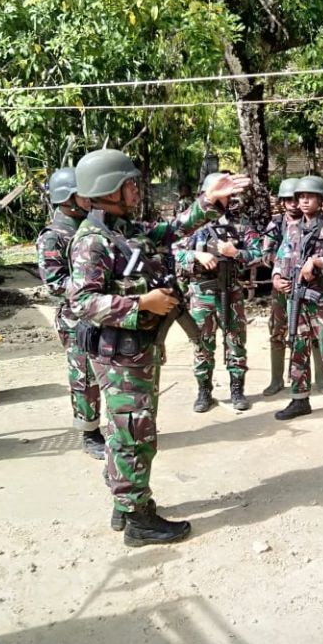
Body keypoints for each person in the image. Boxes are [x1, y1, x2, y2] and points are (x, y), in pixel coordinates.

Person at [68, 148, 248, 547]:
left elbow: (170, 231)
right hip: (120, 353)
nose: (135, 188)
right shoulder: (93, 241)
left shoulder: (122, 229)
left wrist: (209, 201)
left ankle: (124, 501)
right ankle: (138, 519)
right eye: (129, 183)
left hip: (135, 349)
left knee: (127, 430)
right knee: (134, 432)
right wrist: (141, 304)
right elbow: (80, 302)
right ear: (109, 188)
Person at [175, 172, 263, 413]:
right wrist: (195, 255)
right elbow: (172, 253)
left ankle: (237, 390)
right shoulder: (191, 223)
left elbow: (259, 255)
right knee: (202, 344)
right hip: (202, 293)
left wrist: (236, 253)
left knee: (236, 342)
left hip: (231, 291)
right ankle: (204, 391)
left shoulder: (241, 223)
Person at [36, 168, 105, 459]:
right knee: (85, 376)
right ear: (66, 198)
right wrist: (91, 284)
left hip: (103, 311)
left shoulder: (93, 226)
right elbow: (53, 284)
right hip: (76, 319)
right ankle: (90, 432)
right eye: (82, 193)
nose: (89, 197)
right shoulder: (54, 237)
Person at [271, 175, 323, 425]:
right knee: (296, 347)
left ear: (321, 199)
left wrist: (317, 262)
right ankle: (299, 398)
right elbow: (280, 257)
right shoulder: (292, 228)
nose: (304, 201)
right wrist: (275, 277)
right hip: (296, 297)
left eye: (310, 196)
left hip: (322, 298)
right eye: (301, 197)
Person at [261, 178, 302, 396]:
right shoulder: (276, 225)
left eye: (296, 199)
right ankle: (276, 379)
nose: (293, 204)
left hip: (305, 287)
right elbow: (265, 254)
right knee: (277, 331)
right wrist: (279, 271)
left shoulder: (312, 223)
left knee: (309, 333)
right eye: (288, 200)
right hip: (281, 286)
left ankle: (319, 379)